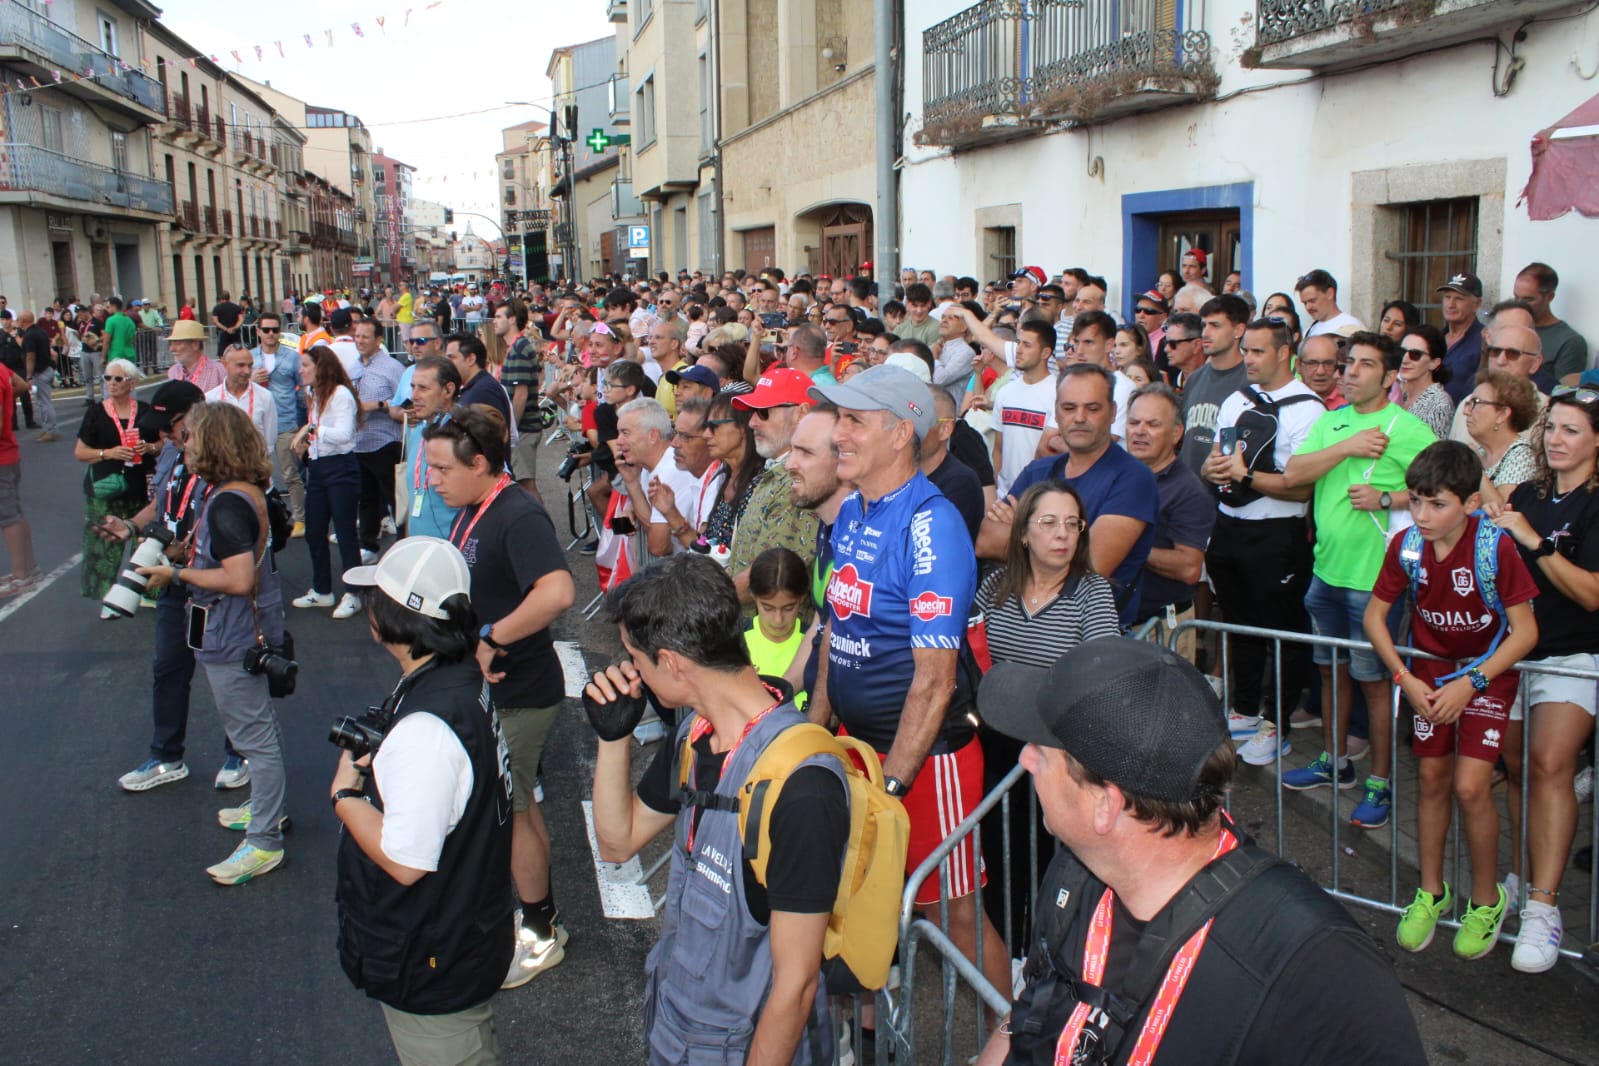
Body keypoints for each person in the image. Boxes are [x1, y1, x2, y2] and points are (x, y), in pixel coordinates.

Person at [973, 638, 1428, 1066]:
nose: (1026, 760)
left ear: (1104, 805)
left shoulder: (1318, 973)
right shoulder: (1076, 873)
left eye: (1042, 751)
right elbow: (1031, 1014)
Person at [587, 553, 848, 1065]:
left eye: (636, 659)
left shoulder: (803, 785)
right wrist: (611, 740)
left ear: (672, 663)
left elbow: (794, 988)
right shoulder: (695, 735)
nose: (630, 672)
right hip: (677, 1021)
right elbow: (618, 842)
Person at [806, 364, 1012, 1006]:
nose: (839, 433)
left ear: (900, 434)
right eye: (838, 418)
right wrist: (815, 734)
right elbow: (834, 638)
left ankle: (1016, 1036)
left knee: (955, 913)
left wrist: (893, 785)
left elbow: (936, 678)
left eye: (853, 421)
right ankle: (870, 1035)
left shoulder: (931, 523)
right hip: (860, 746)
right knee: (867, 905)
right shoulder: (852, 514)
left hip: (926, 760)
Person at [332, 537, 516, 1065]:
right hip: (466, 931)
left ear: (392, 618)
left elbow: (408, 863)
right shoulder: (460, 681)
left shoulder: (426, 727)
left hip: (432, 954)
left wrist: (345, 795)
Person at [1363, 441, 1539, 959]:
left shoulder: (1495, 547)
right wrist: (1404, 678)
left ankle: (1486, 900)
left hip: (1485, 677)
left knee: (1469, 786)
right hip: (1427, 676)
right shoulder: (1407, 545)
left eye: (1436, 503)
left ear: (1468, 502)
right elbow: (1375, 617)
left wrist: (1472, 683)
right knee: (1432, 779)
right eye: (1415, 501)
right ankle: (1431, 892)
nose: (1421, 514)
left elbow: (1525, 633)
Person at [423, 405, 576, 986]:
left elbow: (558, 592)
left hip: (518, 691)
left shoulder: (516, 514)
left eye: (440, 468)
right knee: (519, 810)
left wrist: (491, 638)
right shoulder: (479, 507)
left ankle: (538, 934)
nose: (432, 479)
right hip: (501, 691)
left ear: (481, 463)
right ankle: (539, 920)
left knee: (507, 816)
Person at [1280, 332, 1436, 827]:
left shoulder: (1406, 428)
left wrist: (1389, 499)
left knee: (1375, 683)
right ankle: (1335, 762)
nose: (1350, 372)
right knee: (1330, 670)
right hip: (1326, 570)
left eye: (1366, 365)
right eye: (1349, 363)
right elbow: (1295, 473)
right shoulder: (1332, 420)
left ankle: (1381, 783)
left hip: (1376, 583)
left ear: (1390, 378)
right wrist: (1347, 445)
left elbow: (1449, 486)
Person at [135, 402, 290, 886]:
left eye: (193, 436)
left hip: (232, 631)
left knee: (253, 739)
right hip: (241, 626)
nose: (185, 443)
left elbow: (239, 577)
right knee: (256, 730)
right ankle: (268, 809)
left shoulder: (226, 502)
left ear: (214, 443)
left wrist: (175, 571)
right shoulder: (240, 492)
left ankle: (265, 840)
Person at [1493, 385, 1599, 972]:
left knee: (1552, 765)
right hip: (1513, 651)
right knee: (1517, 772)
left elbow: (1591, 594)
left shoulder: (1594, 503)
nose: (1556, 439)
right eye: (1551, 428)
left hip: (1574, 655)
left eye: (1572, 430)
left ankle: (1544, 906)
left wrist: (1532, 542)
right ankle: (1521, 873)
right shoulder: (1528, 492)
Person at [110, 381, 243, 792]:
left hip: (207, 585)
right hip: (173, 580)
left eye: (172, 427)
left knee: (221, 671)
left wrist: (191, 554)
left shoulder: (224, 462)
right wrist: (133, 525)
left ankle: (240, 753)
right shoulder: (173, 451)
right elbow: (167, 502)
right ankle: (166, 757)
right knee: (168, 667)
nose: (166, 436)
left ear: (197, 414)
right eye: (163, 430)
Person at [1201, 317, 1324, 759]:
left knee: (1284, 633)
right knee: (1240, 623)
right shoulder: (1237, 399)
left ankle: (1278, 722)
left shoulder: (1309, 409)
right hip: (1229, 525)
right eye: (1245, 350)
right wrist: (1212, 471)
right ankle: (1245, 709)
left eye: (1256, 352)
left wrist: (1246, 476)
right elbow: (1219, 459)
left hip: (1277, 534)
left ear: (1283, 353)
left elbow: (1303, 485)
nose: (1247, 360)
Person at [979, 365, 1157, 627]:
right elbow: (985, 541)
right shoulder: (1038, 471)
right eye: (1069, 408)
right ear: (1057, 412)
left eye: (1093, 408)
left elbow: (1091, 565)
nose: (1080, 417)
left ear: (1113, 413)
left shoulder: (1133, 478)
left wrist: (1022, 529)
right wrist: (1062, 547)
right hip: (1021, 626)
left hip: (1090, 638)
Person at [1124, 384, 1215, 656]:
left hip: (1162, 631)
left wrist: (1126, 545)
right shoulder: (1117, 475)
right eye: (1133, 422)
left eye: (1153, 424)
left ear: (1177, 433)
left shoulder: (1188, 491)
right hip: (1117, 626)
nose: (1140, 431)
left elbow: (1189, 568)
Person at [727, 368, 821, 602]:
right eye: (752, 412)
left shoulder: (801, 482)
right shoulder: (777, 471)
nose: (752, 422)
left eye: (763, 412)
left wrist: (712, 604)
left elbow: (770, 577)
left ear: (802, 413)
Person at [74, 358, 156, 613]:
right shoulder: (96, 412)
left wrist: (150, 447)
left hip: (139, 485)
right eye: (107, 378)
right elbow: (80, 452)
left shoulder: (144, 411)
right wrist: (107, 453)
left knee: (144, 542)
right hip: (105, 487)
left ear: (131, 382)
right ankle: (107, 597)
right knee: (104, 542)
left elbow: (162, 443)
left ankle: (145, 591)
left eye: (117, 379)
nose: (111, 383)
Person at [291, 346, 364, 620]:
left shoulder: (341, 394)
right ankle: (322, 590)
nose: (301, 370)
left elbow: (345, 435)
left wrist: (312, 430)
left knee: (345, 533)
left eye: (306, 365)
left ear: (320, 367)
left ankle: (354, 593)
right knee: (314, 530)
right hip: (319, 468)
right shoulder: (313, 393)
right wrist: (309, 444)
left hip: (341, 468)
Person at [614, 397, 701, 560]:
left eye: (625, 433)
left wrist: (633, 488)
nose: (618, 442)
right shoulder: (650, 467)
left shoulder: (672, 470)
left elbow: (659, 546)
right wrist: (632, 487)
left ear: (653, 435)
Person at [1176, 296, 1250, 474]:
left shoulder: (1250, 381)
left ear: (1238, 330)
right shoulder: (1194, 379)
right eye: (1204, 325)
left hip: (1226, 492)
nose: (1205, 333)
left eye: (1215, 326)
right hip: (1189, 490)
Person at [351, 319, 405, 561]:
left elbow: (405, 403)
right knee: (367, 499)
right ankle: (369, 546)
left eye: (365, 336)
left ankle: (405, 545)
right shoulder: (353, 367)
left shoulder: (392, 367)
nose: (360, 341)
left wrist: (378, 405)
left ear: (378, 339)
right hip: (358, 443)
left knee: (395, 498)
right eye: (357, 336)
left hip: (385, 443)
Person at [984, 321, 1056, 496]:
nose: (1019, 349)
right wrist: (995, 489)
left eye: (1027, 345)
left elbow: (1049, 451)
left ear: (1045, 352)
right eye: (1018, 343)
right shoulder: (1005, 392)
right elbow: (999, 448)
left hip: (1040, 493)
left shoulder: (1058, 393)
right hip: (1005, 493)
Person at [250, 311, 305, 536]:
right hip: (256, 424)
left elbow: (303, 388)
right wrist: (252, 380)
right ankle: (262, 518)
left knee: (290, 473)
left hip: (285, 421)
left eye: (275, 330)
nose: (271, 334)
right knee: (256, 474)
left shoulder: (291, 357)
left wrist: (306, 422)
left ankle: (299, 518)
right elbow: (239, 385)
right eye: (266, 330)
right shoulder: (251, 357)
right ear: (258, 332)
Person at [397, 355, 463, 540]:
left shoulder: (463, 434)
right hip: (420, 550)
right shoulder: (419, 429)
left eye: (423, 388)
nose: (414, 396)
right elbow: (414, 494)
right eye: (412, 387)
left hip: (454, 552)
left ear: (448, 390)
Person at [744, 546, 814, 707]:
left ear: (802, 598)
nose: (778, 619)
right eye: (767, 608)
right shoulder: (736, 643)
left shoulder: (813, 645)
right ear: (753, 597)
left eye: (788, 608)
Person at [920, 388, 986, 541]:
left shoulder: (961, 482)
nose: (909, 428)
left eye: (920, 420)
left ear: (945, 429)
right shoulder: (895, 473)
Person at [498, 299, 545, 502]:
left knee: (526, 485)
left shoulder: (519, 348)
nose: (494, 321)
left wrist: (512, 430)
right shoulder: (517, 347)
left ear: (512, 320)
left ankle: (543, 531)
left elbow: (521, 394)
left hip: (524, 428)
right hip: (523, 427)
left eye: (499, 316)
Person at [1464, 369, 1540, 496]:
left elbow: (1501, 510)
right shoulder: (1481, 452)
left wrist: (1475, 468)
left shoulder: (1523, 455)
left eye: (1476, 403)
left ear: (1503, 414)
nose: (1466, 411)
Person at [1514, 262, 1589, 385]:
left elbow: (1563, 395)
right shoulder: (1510, 328)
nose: (1519, 304)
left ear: (1549, 297)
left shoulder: (1570, 342)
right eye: (1516, 297)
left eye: (1528, 299)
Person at [0, 356, 38, 597]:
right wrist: (7, 399)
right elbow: (22, 385)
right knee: (14, 511)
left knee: (8, 515)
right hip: (8, 451)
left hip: (1, 455)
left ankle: (20, 575)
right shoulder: (2, 368)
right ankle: (29, 568)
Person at [206, 345, 277, 448]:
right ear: (225, 364)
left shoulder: (265, 396)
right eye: (241, 365)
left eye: (250, 365)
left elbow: (269, 442)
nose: (247, 371)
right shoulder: (211, 399)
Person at [1395, 324, 1454, 439]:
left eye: (1415, 354)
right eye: (1402, 352)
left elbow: (1434, 452)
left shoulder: (1439, 403)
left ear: (1434, 363)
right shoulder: (1396, 391)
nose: (1405, 360)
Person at [1437, 273, 1487, 405]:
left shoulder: (1484, 341)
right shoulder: (1436, 338)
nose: (1451, 304)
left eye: (1459, 298)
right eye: (1447, 297)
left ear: (1477, 304)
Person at [19, 311, 59, 442]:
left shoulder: (30, 335)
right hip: (47, 368)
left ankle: (50, 431)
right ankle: (48, 428)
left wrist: (29, 376)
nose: (17, 321)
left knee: (44, 402)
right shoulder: (40, 331)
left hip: (40, 371)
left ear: (23, 321)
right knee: (43, 402)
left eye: (19, 319)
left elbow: (30, 356)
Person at [1296, 268, 1362, 338]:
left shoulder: (1352, 328)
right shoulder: (1309, 331)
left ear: (1330, 293)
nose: (1308, 307)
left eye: (1312, 300)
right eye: (1305, 303)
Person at [211, 291, 243, 358]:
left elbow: (215, 321)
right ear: (229, 297)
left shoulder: (217, 308)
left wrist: (226, 329)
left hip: (223, 333)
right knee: (237, 351)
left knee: (222, 353)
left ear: (221, 298)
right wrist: (234, 327)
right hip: (235, 333)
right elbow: (241, 319)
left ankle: (224, 366)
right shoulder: (236, 307)